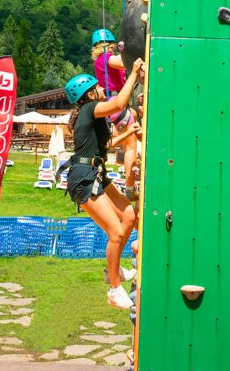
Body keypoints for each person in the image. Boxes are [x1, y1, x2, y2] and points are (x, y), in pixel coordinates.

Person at [65, 59, 144, 310]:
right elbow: (120, 103)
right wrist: (132, 73)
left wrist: (130, 132)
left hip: (96, 172)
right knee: (117, 232)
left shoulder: (91, 118)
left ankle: (114, 268)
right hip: (84, 178)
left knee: (130, 215)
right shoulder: (89, 109)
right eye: (98, 88)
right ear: (89, 94)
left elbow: (106, 147)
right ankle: (113, 288)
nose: (103, 91)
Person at [91, 28, 141, 191]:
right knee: (131, 146)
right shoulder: (106, 58)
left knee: (132, 116)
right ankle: (130, 187)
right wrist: (135, 54)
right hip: (116, 102)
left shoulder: (98, 62)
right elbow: (122, 63)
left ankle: (125, 168)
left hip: (112, 106)